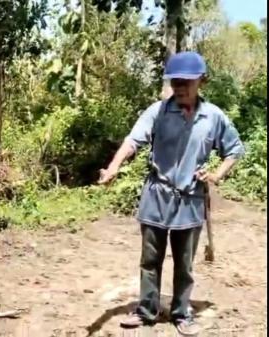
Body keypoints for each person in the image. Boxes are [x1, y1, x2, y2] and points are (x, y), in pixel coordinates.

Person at [98, 51, 245, 336]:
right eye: (175, 81)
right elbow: (133, 140)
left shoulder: (213, 116)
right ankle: (147, 310)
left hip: (190, 200)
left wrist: (215, 175)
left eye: (185, 81)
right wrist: (113, 167)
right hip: (157, 194)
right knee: (150, 259)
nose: (179, 86)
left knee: (184, 263)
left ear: (202, 81)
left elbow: (234, 150)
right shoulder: (158, 111)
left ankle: (181, 312)